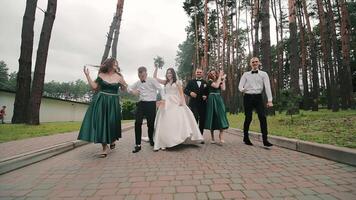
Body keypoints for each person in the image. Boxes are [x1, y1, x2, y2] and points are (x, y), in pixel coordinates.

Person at [78, 58, 128, 157]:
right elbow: (94, 87)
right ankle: (104, 148)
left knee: (112, 123)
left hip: (113, 102)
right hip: (101, 101)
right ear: (109, 64)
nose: (116, 65)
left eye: (117, 64)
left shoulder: (119, 77)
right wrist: (87, 76)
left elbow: (123, 89)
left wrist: (124, 85)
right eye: (114, 63)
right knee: (101, 123)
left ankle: (112, 140)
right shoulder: (101, 75)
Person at [153, 66, 203, 151]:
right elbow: (155, 78)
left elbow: (181, 93)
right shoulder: (165, 82)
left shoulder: (177, 82)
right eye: (167, 73)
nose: (169, 74)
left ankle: (177, 138)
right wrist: (157, 68)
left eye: (170, 73)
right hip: (166, 103)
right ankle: (164, 141)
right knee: (165, 121)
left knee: (176, 120)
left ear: (173, 74)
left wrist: (182, 102)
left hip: (176, 102)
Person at [238, 57, 273, 147]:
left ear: (259, 63)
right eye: (253, 62)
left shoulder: (264, 74)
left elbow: (267, 87)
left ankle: (265, 140)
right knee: (248, 117)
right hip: (248, 97)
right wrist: (243, 90)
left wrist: (270, 100)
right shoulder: (246, 74)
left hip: (258, 97)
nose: (254, 63)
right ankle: (246, 137)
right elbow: (240, 86)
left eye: (256, 62)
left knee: (262, 117)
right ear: (250, 64)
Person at [129, 66, 163, 153]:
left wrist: (162, 99)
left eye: (143, 75)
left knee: (151, 124)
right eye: (139, 76)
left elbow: (160, 88)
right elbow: (129, 88)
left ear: (146, 74)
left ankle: (151, 139)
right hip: (141, 104)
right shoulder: (137, 82)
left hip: (151, 104)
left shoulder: (152, 80)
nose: (141, 77)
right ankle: (138, 145)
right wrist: (133, 91)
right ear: (138, 75)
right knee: (137, 122)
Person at [204, 69, 229, 144]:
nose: (213, 74)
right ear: (209, 75)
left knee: (221, 115)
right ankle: (212, 138)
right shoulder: (209, 81)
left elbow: (223, 88)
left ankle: (221, 136)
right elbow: (216, 86)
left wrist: (223, 80)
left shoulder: (219, 79)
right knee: (213, 116)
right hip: (212, 99)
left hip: (218, 99)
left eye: (214, 73)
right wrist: (220, 77)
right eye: (211, 73)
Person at [184, 68, 209, 139]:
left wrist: (206, 96)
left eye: (200, 72)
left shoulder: (205, 83)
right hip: (194, 103)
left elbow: (208, 92)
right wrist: (190, 93)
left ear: (202, 73)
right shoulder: (191, 82)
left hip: (203, 104)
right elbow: (185, 90)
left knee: (202, 120)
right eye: (197, 72)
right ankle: (194, 135)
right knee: (195, 118)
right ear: (195, 73)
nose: (199, 73)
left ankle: (200, 136)